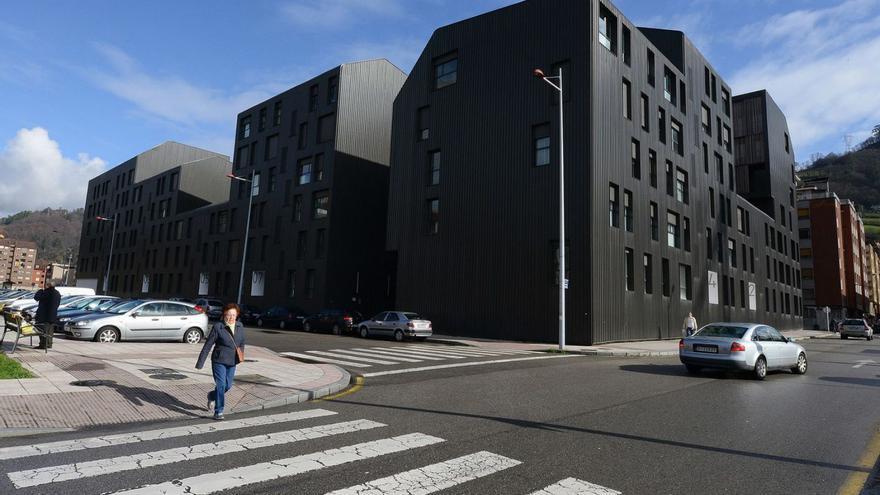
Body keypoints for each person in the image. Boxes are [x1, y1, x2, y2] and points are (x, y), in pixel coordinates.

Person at [196, 303, 245, 420]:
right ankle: (219, 411)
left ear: (237, 315)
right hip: (219, 361)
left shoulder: (240, 326)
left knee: (227, 386)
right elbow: (208, 345)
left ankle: (211, 395)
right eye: (228, 315)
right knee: (221, 385)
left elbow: (242, 342)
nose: (231, 317)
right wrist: (200, 362)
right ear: (224, 315)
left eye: (233, 315)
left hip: (232, 361)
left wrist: (241, 354)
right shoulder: (218, 327)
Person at [34, 282, 61, 349]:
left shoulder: (46, 292)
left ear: (48, 286)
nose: (43, 286)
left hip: (44, 315)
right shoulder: (57, 293)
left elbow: (36, 298)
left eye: (45, 285)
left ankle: (43, 345)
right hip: (52, 315)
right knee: (50, 330)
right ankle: (49, 344)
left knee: (42, 330)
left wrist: (39, 291)